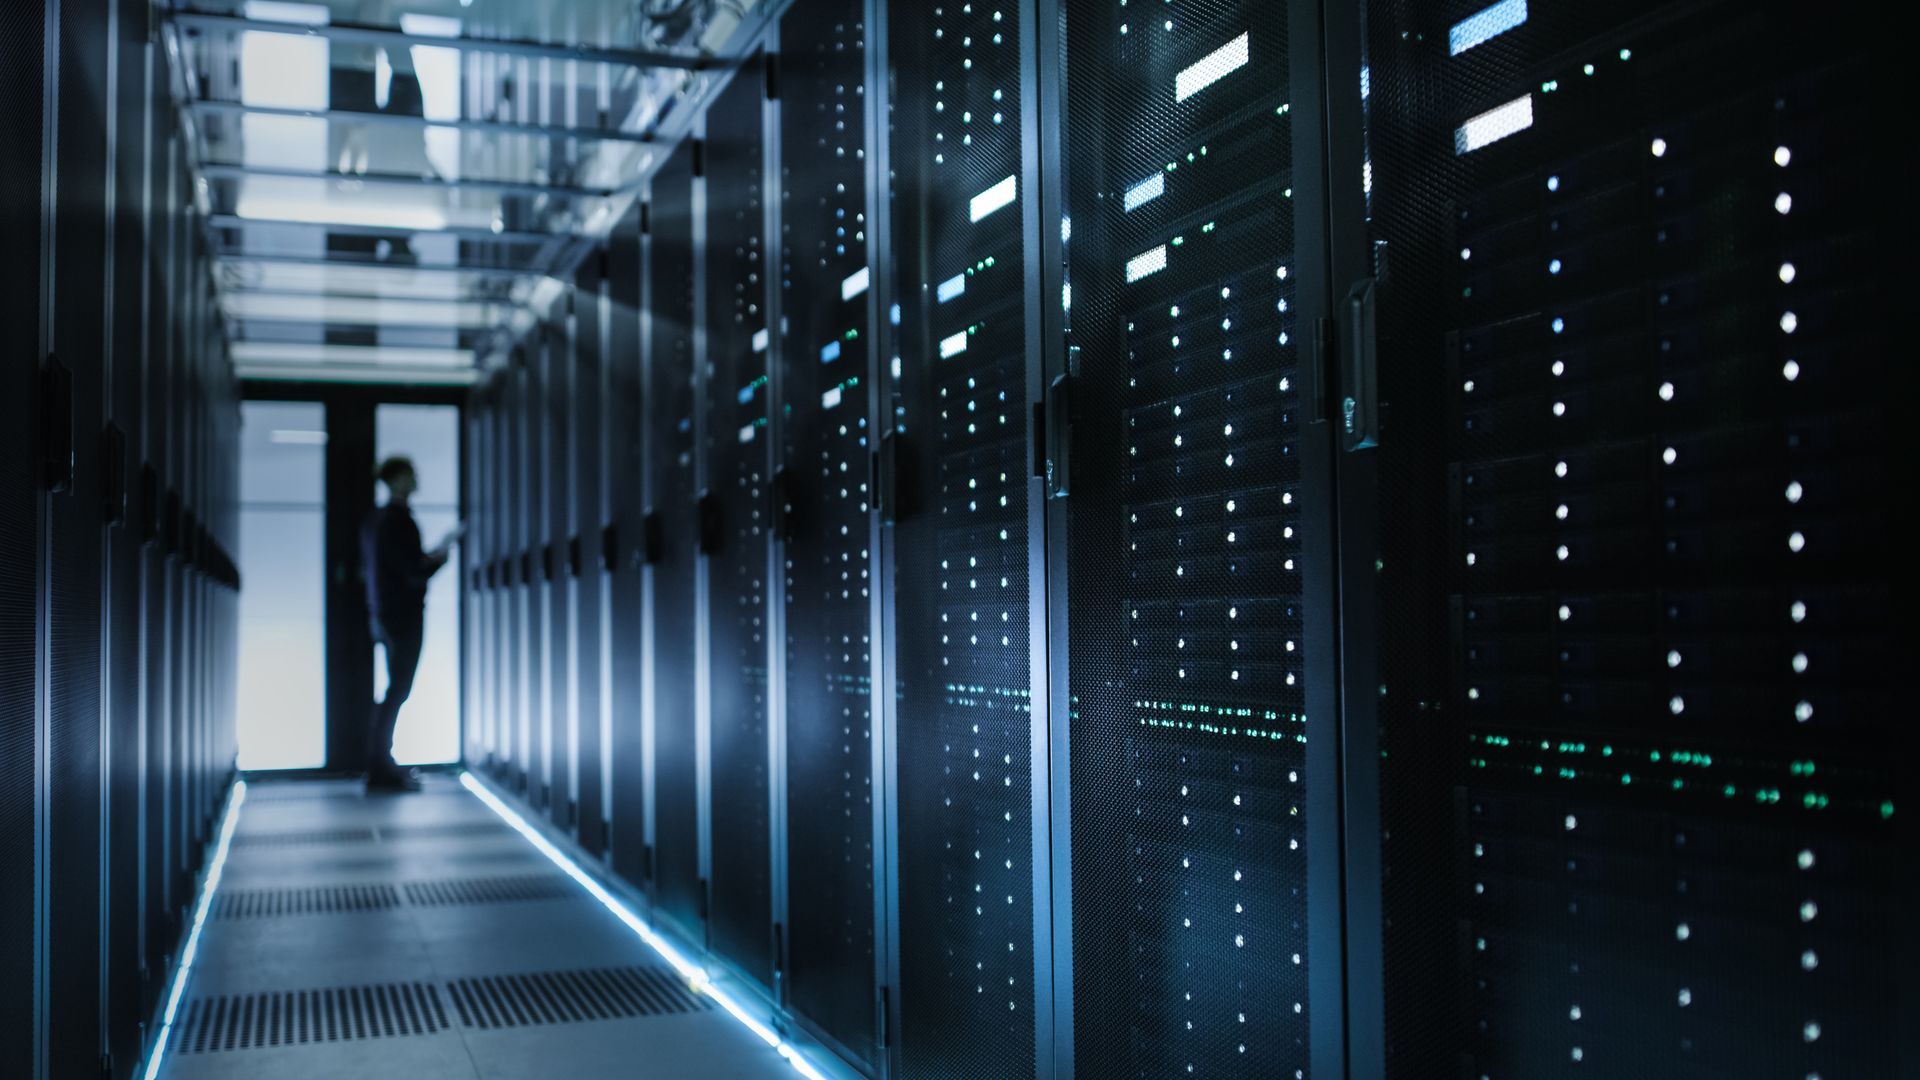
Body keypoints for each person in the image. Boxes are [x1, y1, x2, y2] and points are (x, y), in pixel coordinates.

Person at [360, 456, 448, 792]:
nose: (417, 478)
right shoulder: (397, 521)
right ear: (397, 479)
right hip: (402, 615)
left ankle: (381, 763)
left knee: (395, 689)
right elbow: (412, 573)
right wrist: (437, 560)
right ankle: (381, 766)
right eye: (411, 473)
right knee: (398, 689)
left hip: (383, 613)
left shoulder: (375, 520)